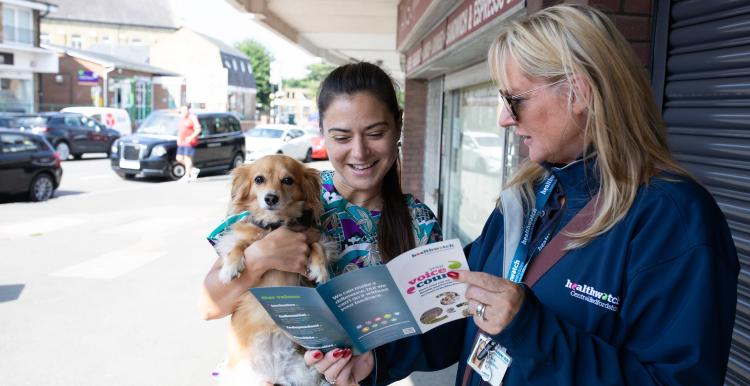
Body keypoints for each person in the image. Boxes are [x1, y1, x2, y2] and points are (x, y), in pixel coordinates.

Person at [305, 5, 740, 386]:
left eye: (514, 100)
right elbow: (457, 314)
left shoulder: (675, 221)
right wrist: (378, 358)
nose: (502, 119)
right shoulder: (528, 197)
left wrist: (531, 332)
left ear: (579, 92)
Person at [198, 62, 442, 384]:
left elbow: (438, 338)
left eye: (375, 133)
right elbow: (209, 306)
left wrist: (374, 361)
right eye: (341, 136)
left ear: (398, 125)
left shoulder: (420, 224)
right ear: (323, 133)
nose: (359, 151)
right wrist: (259, 258)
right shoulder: (284, 199)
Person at [176, 104, 202, 183]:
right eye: (182, 110)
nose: (183, 112)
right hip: (182, 142)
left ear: (188, 110)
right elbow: (180, 129)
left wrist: (191, 137)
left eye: (185, 110)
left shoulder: (192, 117)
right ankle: (193, 169)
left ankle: (187, 176)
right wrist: (178, 138)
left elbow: (198, 129)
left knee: (187, 159)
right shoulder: (182, 118)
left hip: (189, 142)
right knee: (179, 158)